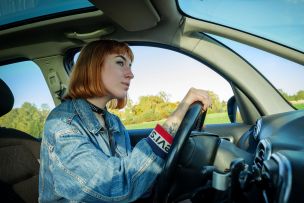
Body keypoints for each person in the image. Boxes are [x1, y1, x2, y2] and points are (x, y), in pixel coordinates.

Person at [38, 39, 212, 202]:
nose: (131, 74)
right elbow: (116, 185)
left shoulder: (113, 122)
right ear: (93, 68)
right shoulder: (62, 124)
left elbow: (136, 175)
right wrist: (179, 112)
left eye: (130, 65)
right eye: (120, 63)